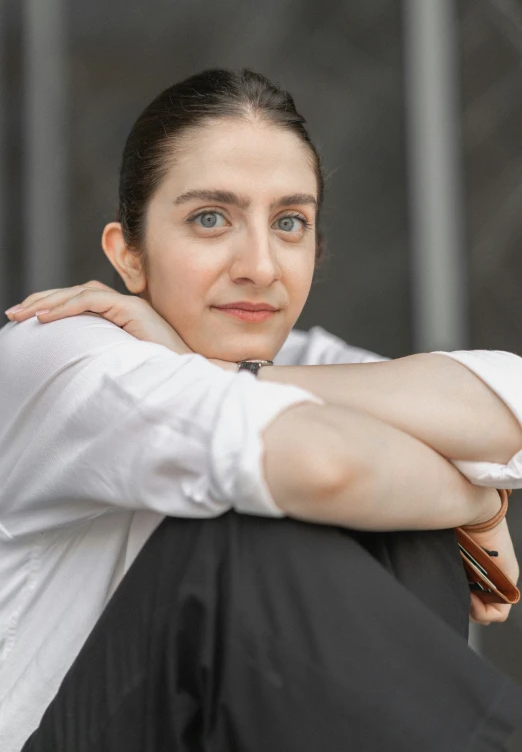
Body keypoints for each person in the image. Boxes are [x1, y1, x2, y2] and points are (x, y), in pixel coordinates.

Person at [2, 68, 522, 751]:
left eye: (289, 222)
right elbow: (325, 465)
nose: (259, 264)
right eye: (210, 218)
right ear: (127, 254)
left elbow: (505, 403)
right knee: (239, 532)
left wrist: (231, 373)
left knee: (396, 522)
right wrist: (477, 505)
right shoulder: (62, 345)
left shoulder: (295, 359)